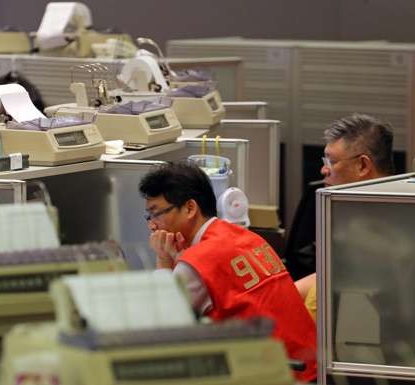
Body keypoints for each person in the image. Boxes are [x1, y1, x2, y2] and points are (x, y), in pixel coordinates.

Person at [139, 163, 317, 382]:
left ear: (189, 208)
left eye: (156, 214)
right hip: (311, 368)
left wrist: (163, 260)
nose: (152, 226)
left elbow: (159, 330)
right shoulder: (246, 237)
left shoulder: (198, 262)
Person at [294, 113, 395, 319]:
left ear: (363, 166)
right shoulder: (346, 212)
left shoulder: (395, 226)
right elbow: (324, 277)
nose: (323, 169)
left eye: (331, 162)